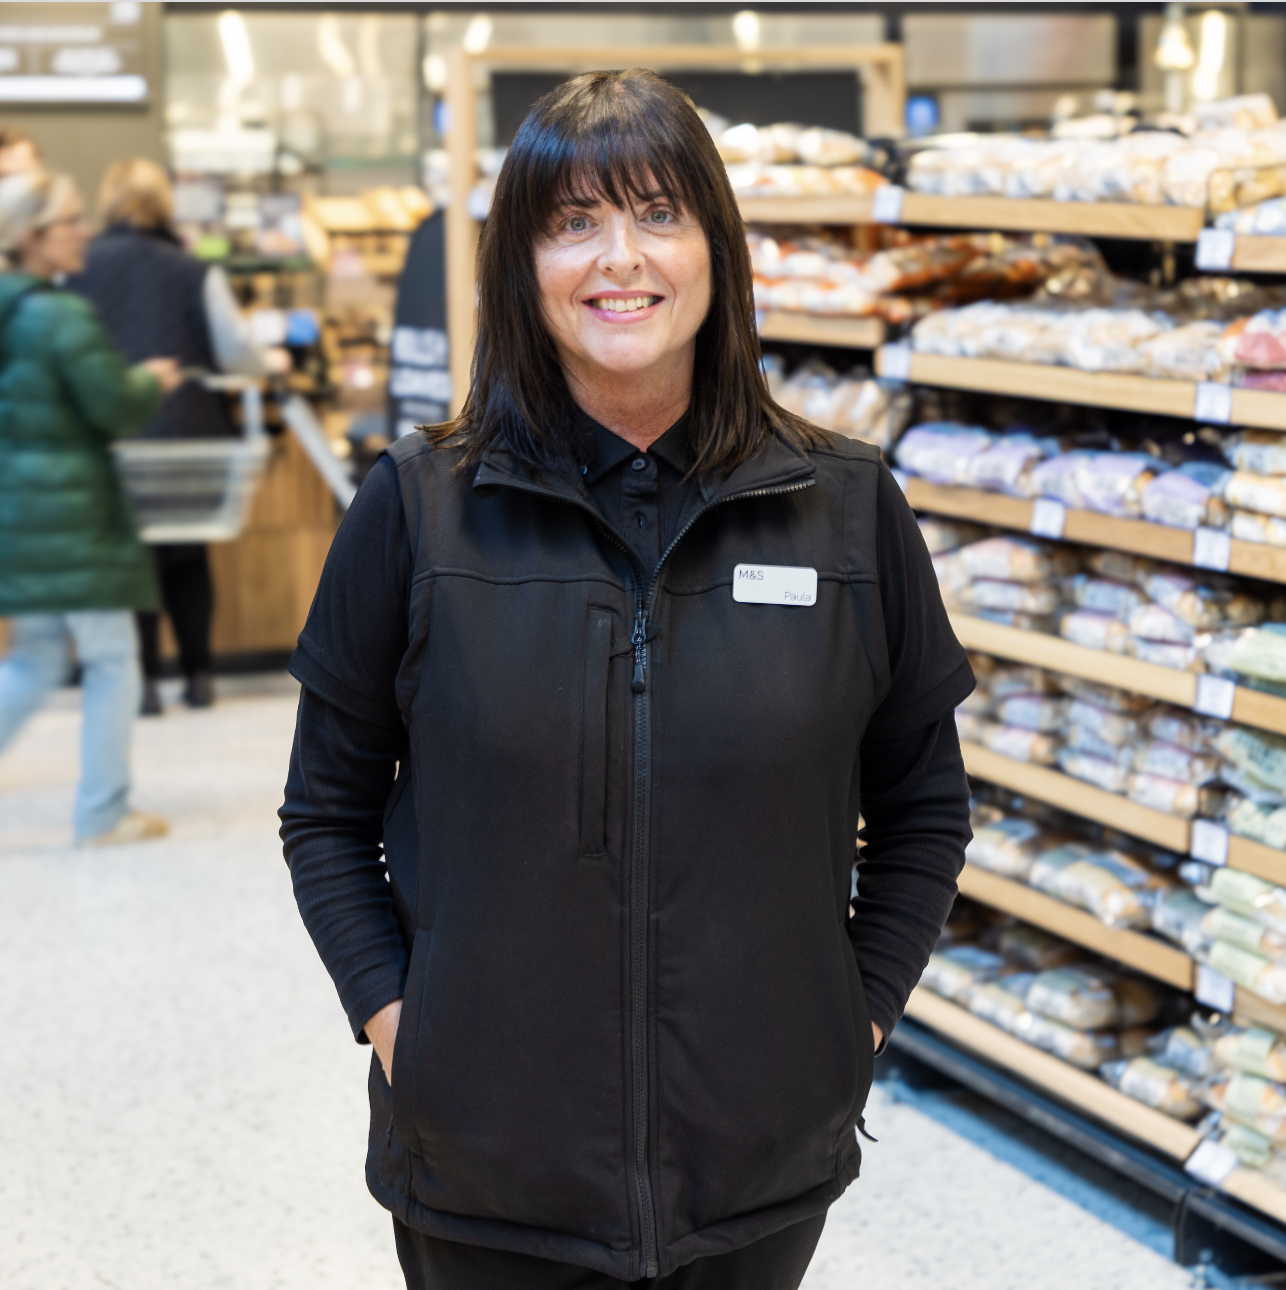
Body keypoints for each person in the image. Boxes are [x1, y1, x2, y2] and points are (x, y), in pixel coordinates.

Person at [279, 70, 973, 1290]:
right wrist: (404, 1030)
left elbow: (922, 806)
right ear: (522, 264)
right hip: (485, 1175)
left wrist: (845, 1029)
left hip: (756, 1176)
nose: (620, 259)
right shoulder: (418, 506)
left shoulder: (847, 508)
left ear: (716, 246)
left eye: (658, 212)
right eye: (571, 222)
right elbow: (323, 816)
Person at [0, 169, 181, 846]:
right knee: (111, 660)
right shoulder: (59, 314)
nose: (84, 232)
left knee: (34, 662)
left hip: (18, 510)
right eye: (71, 221)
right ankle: (103, 812)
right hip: (71, 515)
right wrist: (148, 381)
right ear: (32, 235)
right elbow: (112, 404)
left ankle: (105, 807)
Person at [72, 157, 268, 714]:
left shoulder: (78, 269)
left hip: (115, 437)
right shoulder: (191, 269)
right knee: (187, 554)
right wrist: (266, 360)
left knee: (136, 558)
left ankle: (145, 683)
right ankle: (200, 676)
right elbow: (233, 348)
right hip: (190, 433)